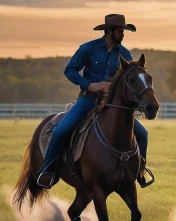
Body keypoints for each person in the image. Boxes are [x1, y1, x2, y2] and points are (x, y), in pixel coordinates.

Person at [37, 14, 154, 189]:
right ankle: (47, 171)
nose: (123, 34)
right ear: (109, 31)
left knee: (143, 134)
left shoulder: (125, 53)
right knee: (61, 131)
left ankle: (140, 171)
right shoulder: (88, 49)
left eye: (124, 31)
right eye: (120, 31)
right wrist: (88, 84)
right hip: (88, 100)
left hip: (112, 105)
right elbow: (70, 70)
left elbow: (128, 80)